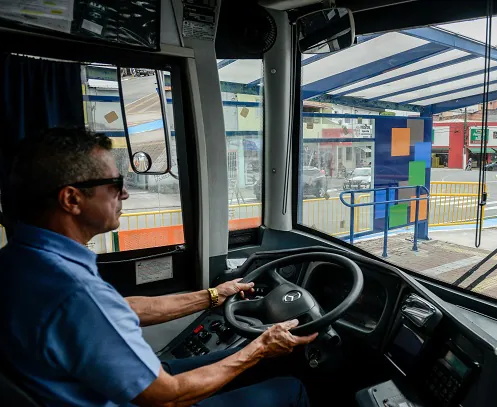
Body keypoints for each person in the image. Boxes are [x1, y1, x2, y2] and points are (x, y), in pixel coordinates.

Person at [0, 128, 317, 407]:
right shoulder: (74, 291)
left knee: (251, 362)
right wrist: (260, 348)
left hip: (96, 387)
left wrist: (212, 296)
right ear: (72, 199)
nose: (124, 193)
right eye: (115, 183)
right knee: (291, 388)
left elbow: (121, 309)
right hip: (142, 398)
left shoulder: (22, 260)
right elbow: (168, 397)